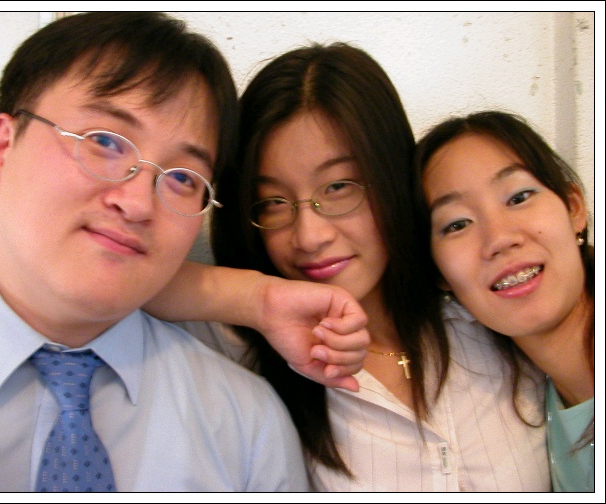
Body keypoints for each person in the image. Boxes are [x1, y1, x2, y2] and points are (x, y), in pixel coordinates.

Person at [0, 12, 371, 492]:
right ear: (2, 149)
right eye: (104, 141)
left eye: (182, 178)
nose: (136, 204)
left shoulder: (245, 424)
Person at [151, 42, 551, 491]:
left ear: (390, 177)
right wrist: (261, 301)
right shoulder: (241, 350)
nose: (309, 236)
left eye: (339, 187)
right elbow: (121, 284)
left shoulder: (489, 315)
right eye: (273, 202)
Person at [412, 110, 595, 492]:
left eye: (518, 197)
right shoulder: (539, 413)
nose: (499, 238)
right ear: (439, 274)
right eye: (457, 224)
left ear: (574, 208)